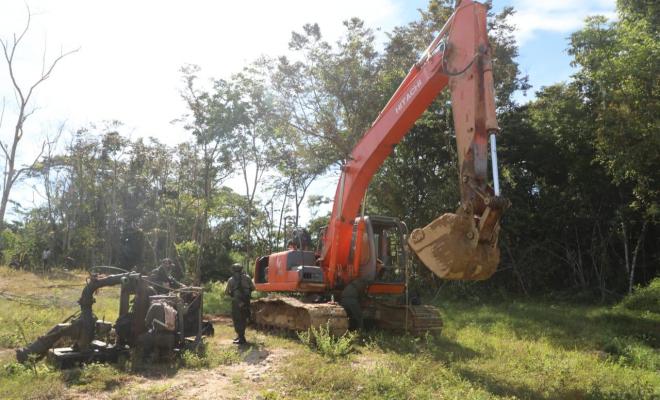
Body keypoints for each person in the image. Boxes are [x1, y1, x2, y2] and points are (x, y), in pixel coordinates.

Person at [225, 263, 255, 345]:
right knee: (243, 318)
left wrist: (233, 294)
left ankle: (241, 338)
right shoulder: (248, 277)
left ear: (233, 270)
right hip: (246, 301)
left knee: (237, 319)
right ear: (241, 269)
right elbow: (253, 288)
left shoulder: (231, 280)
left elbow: (227, 292)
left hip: (237, 302)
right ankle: (240, 336)